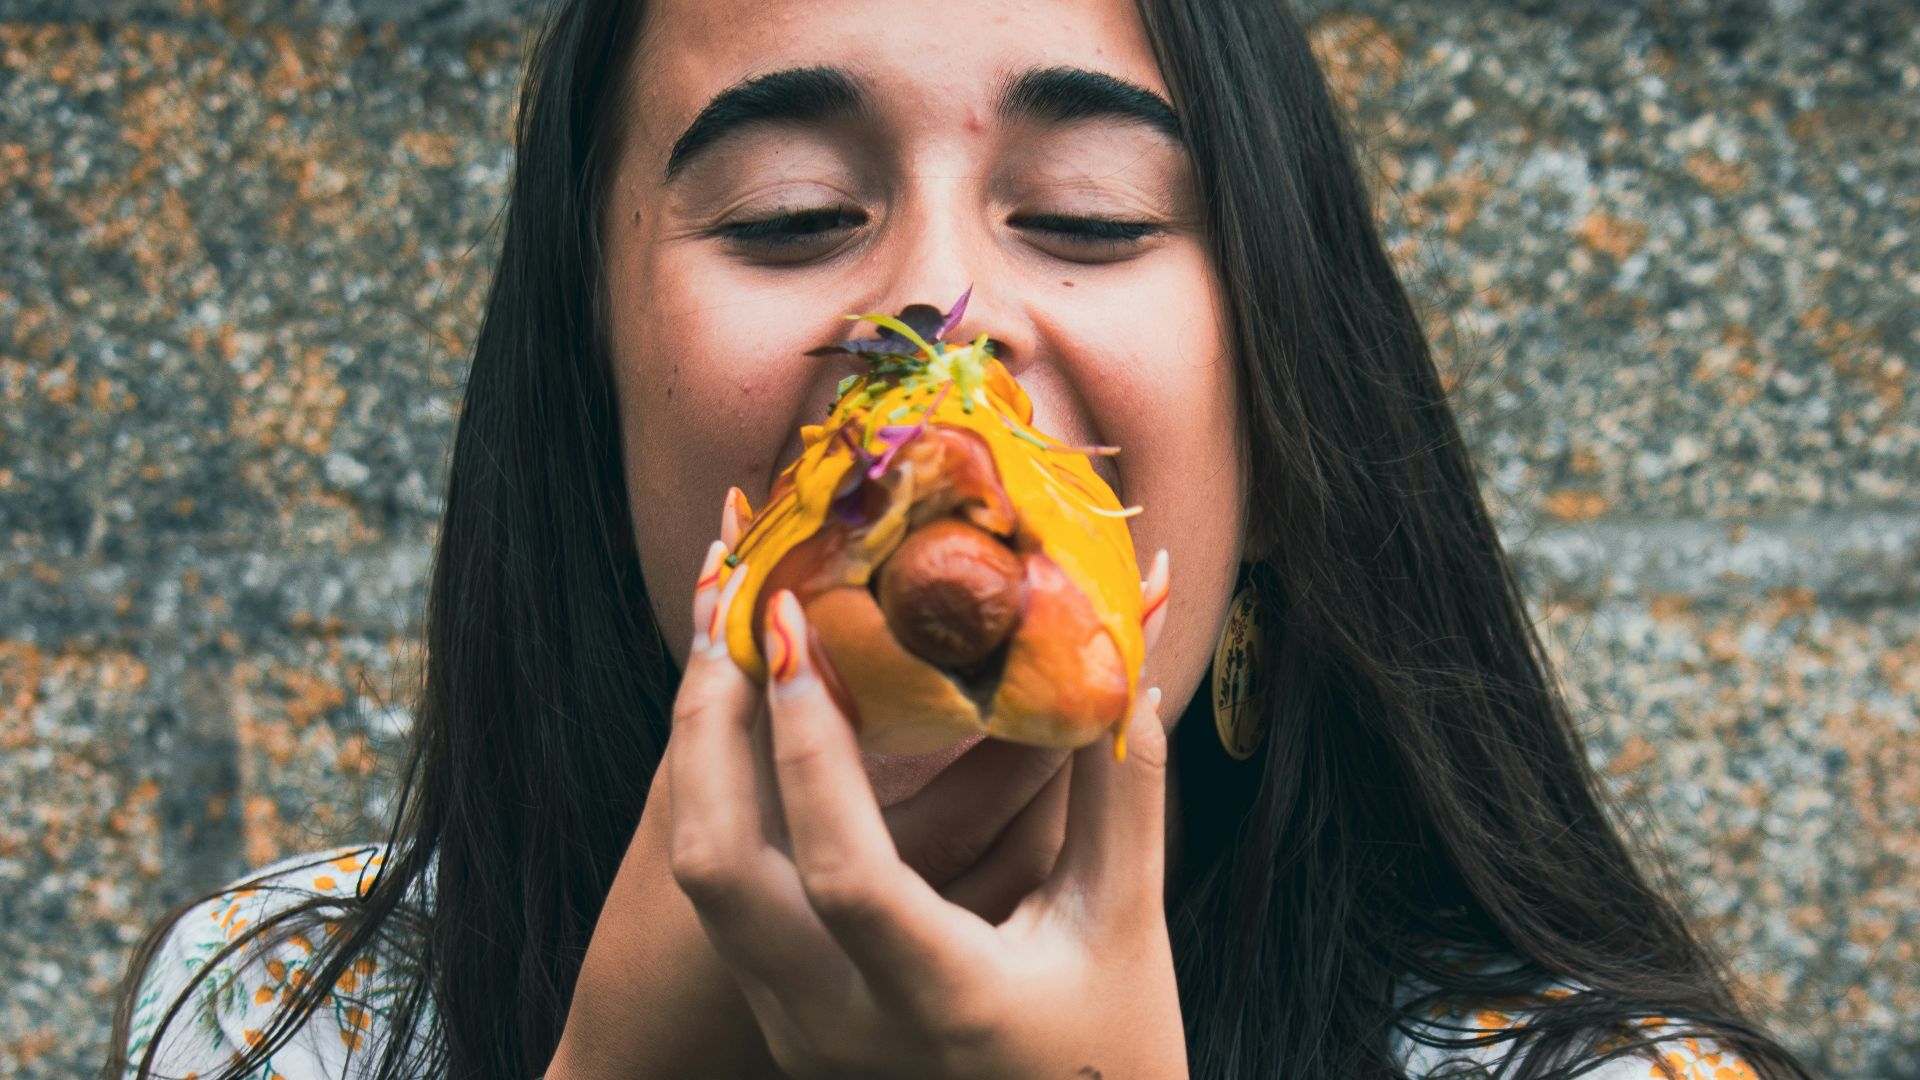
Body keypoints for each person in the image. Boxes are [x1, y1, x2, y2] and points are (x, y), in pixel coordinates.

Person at [109, 0, 1818, 1077]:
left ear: (1286, 438)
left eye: (1088, 212)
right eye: (791, 214)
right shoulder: (283, 1017)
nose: (941, 306)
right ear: (591, 394)